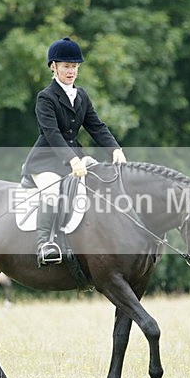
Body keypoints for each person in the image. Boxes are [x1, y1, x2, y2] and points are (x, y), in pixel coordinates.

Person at [22, 37, 127, 265]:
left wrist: (114, 149)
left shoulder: (81, 96)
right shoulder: (45, 97)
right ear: (54, 67)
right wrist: (71, 160)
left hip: (75, 159)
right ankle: (45, 244)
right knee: (51, 194)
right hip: (45, 161)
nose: (71, 71)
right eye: (66, 66)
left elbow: (96, 126)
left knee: (101, 181)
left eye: (74, 67)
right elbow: (52, 134)